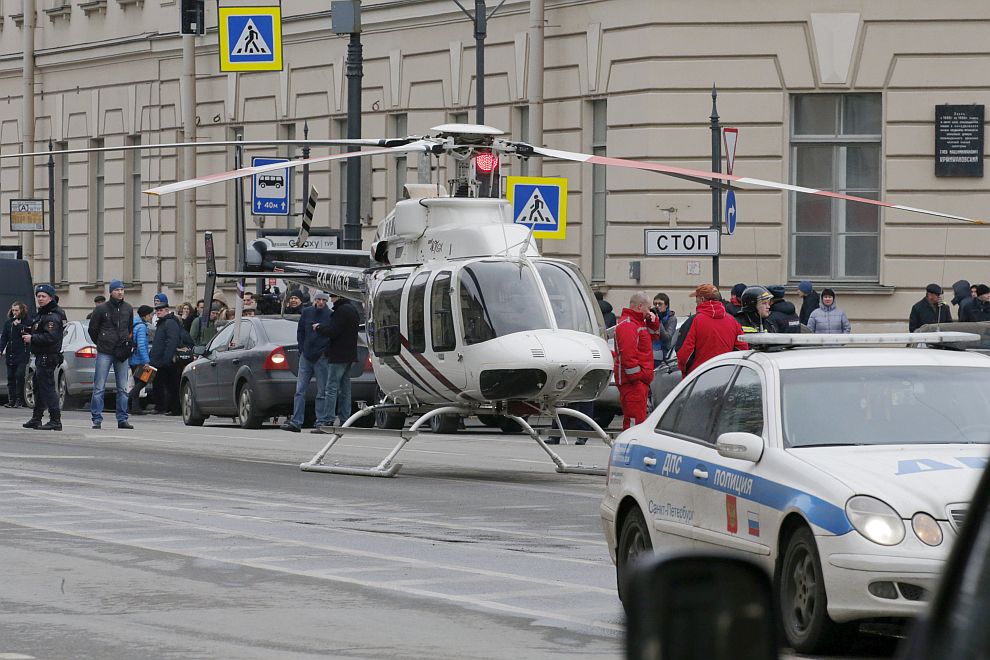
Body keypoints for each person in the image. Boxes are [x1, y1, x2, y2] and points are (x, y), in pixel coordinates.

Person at [281, 292, 333, 432]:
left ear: (326, 301)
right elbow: (301, 331)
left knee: (322, 391)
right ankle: (296, 421)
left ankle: (320, 421)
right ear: (314, 300)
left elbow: (331, 335)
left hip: (321, 356)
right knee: (300, 391)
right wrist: (302, 349)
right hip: (306, 355)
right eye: (318, 299)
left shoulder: (330, 315)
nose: (321, 302)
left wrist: (325, 352)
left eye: (323, 300)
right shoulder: (307, 312)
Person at [88, 279, 135, 430]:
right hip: (105, 351)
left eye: (122, 289)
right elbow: (92, 329)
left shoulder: (128, 308)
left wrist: (127, 344)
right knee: (99, 386)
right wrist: (101, 342)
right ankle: (96, 418)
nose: (120, 292)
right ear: (111, 292)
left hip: (121, 352)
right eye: (117, 290)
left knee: (122, 388)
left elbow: (129, 329)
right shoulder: (101, 309)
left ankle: (122, 418)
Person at [676, 284, 748, 376]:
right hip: (726, 377)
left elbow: (684, 355)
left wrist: (686, 372)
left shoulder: (694, 321)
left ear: (702, 299)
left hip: (698, 378)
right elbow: (742, 349)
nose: (696, 303)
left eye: (696, 300)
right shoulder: (733, 321)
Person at [614, 292, 660, 430]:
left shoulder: (638, 323)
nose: (650, 310)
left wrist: (653, 321)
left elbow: (655, 336)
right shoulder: (628, 325)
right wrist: (638, 377)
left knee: (636, 418)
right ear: (640, 306)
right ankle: (630, 447)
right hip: (634, 382)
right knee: (634, 420)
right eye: (648, 307)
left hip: (639, 381)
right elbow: (628, 356)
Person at [314, 293, 360, 431]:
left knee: (331, 388)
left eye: (331, 297)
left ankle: (328, 420)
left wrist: (318, 327)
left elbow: (333, 331)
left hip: (338, 355)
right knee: (346, 389)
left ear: (337, 297)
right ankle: (346, 420)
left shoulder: (341, 311)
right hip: (350, 354)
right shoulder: (352, 310)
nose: (331, 300)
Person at [22, 284, 65, 431]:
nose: (40, 299)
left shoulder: (52, 315)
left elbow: (50, 337)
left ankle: (55, 420)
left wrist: (32, 338)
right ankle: (36, 418)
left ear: (50, 297)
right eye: (38, 296)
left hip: (48, 355)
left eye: (43, 296)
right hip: (42, 355)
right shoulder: (43, 313)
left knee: (47, 388)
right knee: (38, 387)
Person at [149, 294, 189, 415]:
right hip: (160, 360)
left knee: (171, 385)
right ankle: (163, 406)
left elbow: (172, 342)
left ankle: (174, 408)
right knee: (160, 384)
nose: (158, 312)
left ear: (167, 311)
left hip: (167, 361)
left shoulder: (170, 323)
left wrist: (166, 359)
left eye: (160, 310)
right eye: (157, 310)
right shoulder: (162, 323)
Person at [1, 301, 31, 407]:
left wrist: (19, 326)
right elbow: (4, 337)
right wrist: (1, 349)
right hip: (11, 353)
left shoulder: (27, 321)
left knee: (19, 375)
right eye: (13, 310)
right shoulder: (8, 323)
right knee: (10, 377)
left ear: (21, 310)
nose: (14, 312)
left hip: (22, 353)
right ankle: (12, 400)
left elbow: (27, 334)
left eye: (17, 310)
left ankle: (20, 399)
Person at [127, 305, 154, 415]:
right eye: (150, 315)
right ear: (146, 315)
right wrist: (146, 361)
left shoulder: (134, 325)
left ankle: (135, 408)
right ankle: (130, 400)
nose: (151, 317)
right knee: (143, 381)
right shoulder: (142, 327)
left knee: (138, 382)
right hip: (139, 360)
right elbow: (142, 345)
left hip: (133, 359)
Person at [651, 292, 677, 362]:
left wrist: (658, 321)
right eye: (655, 304)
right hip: (651, 353)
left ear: (666, 305)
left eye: (660, 304)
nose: (657, 306)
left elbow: (666, 338)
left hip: (663, 355)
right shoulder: (652, 316)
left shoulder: (671, 318)